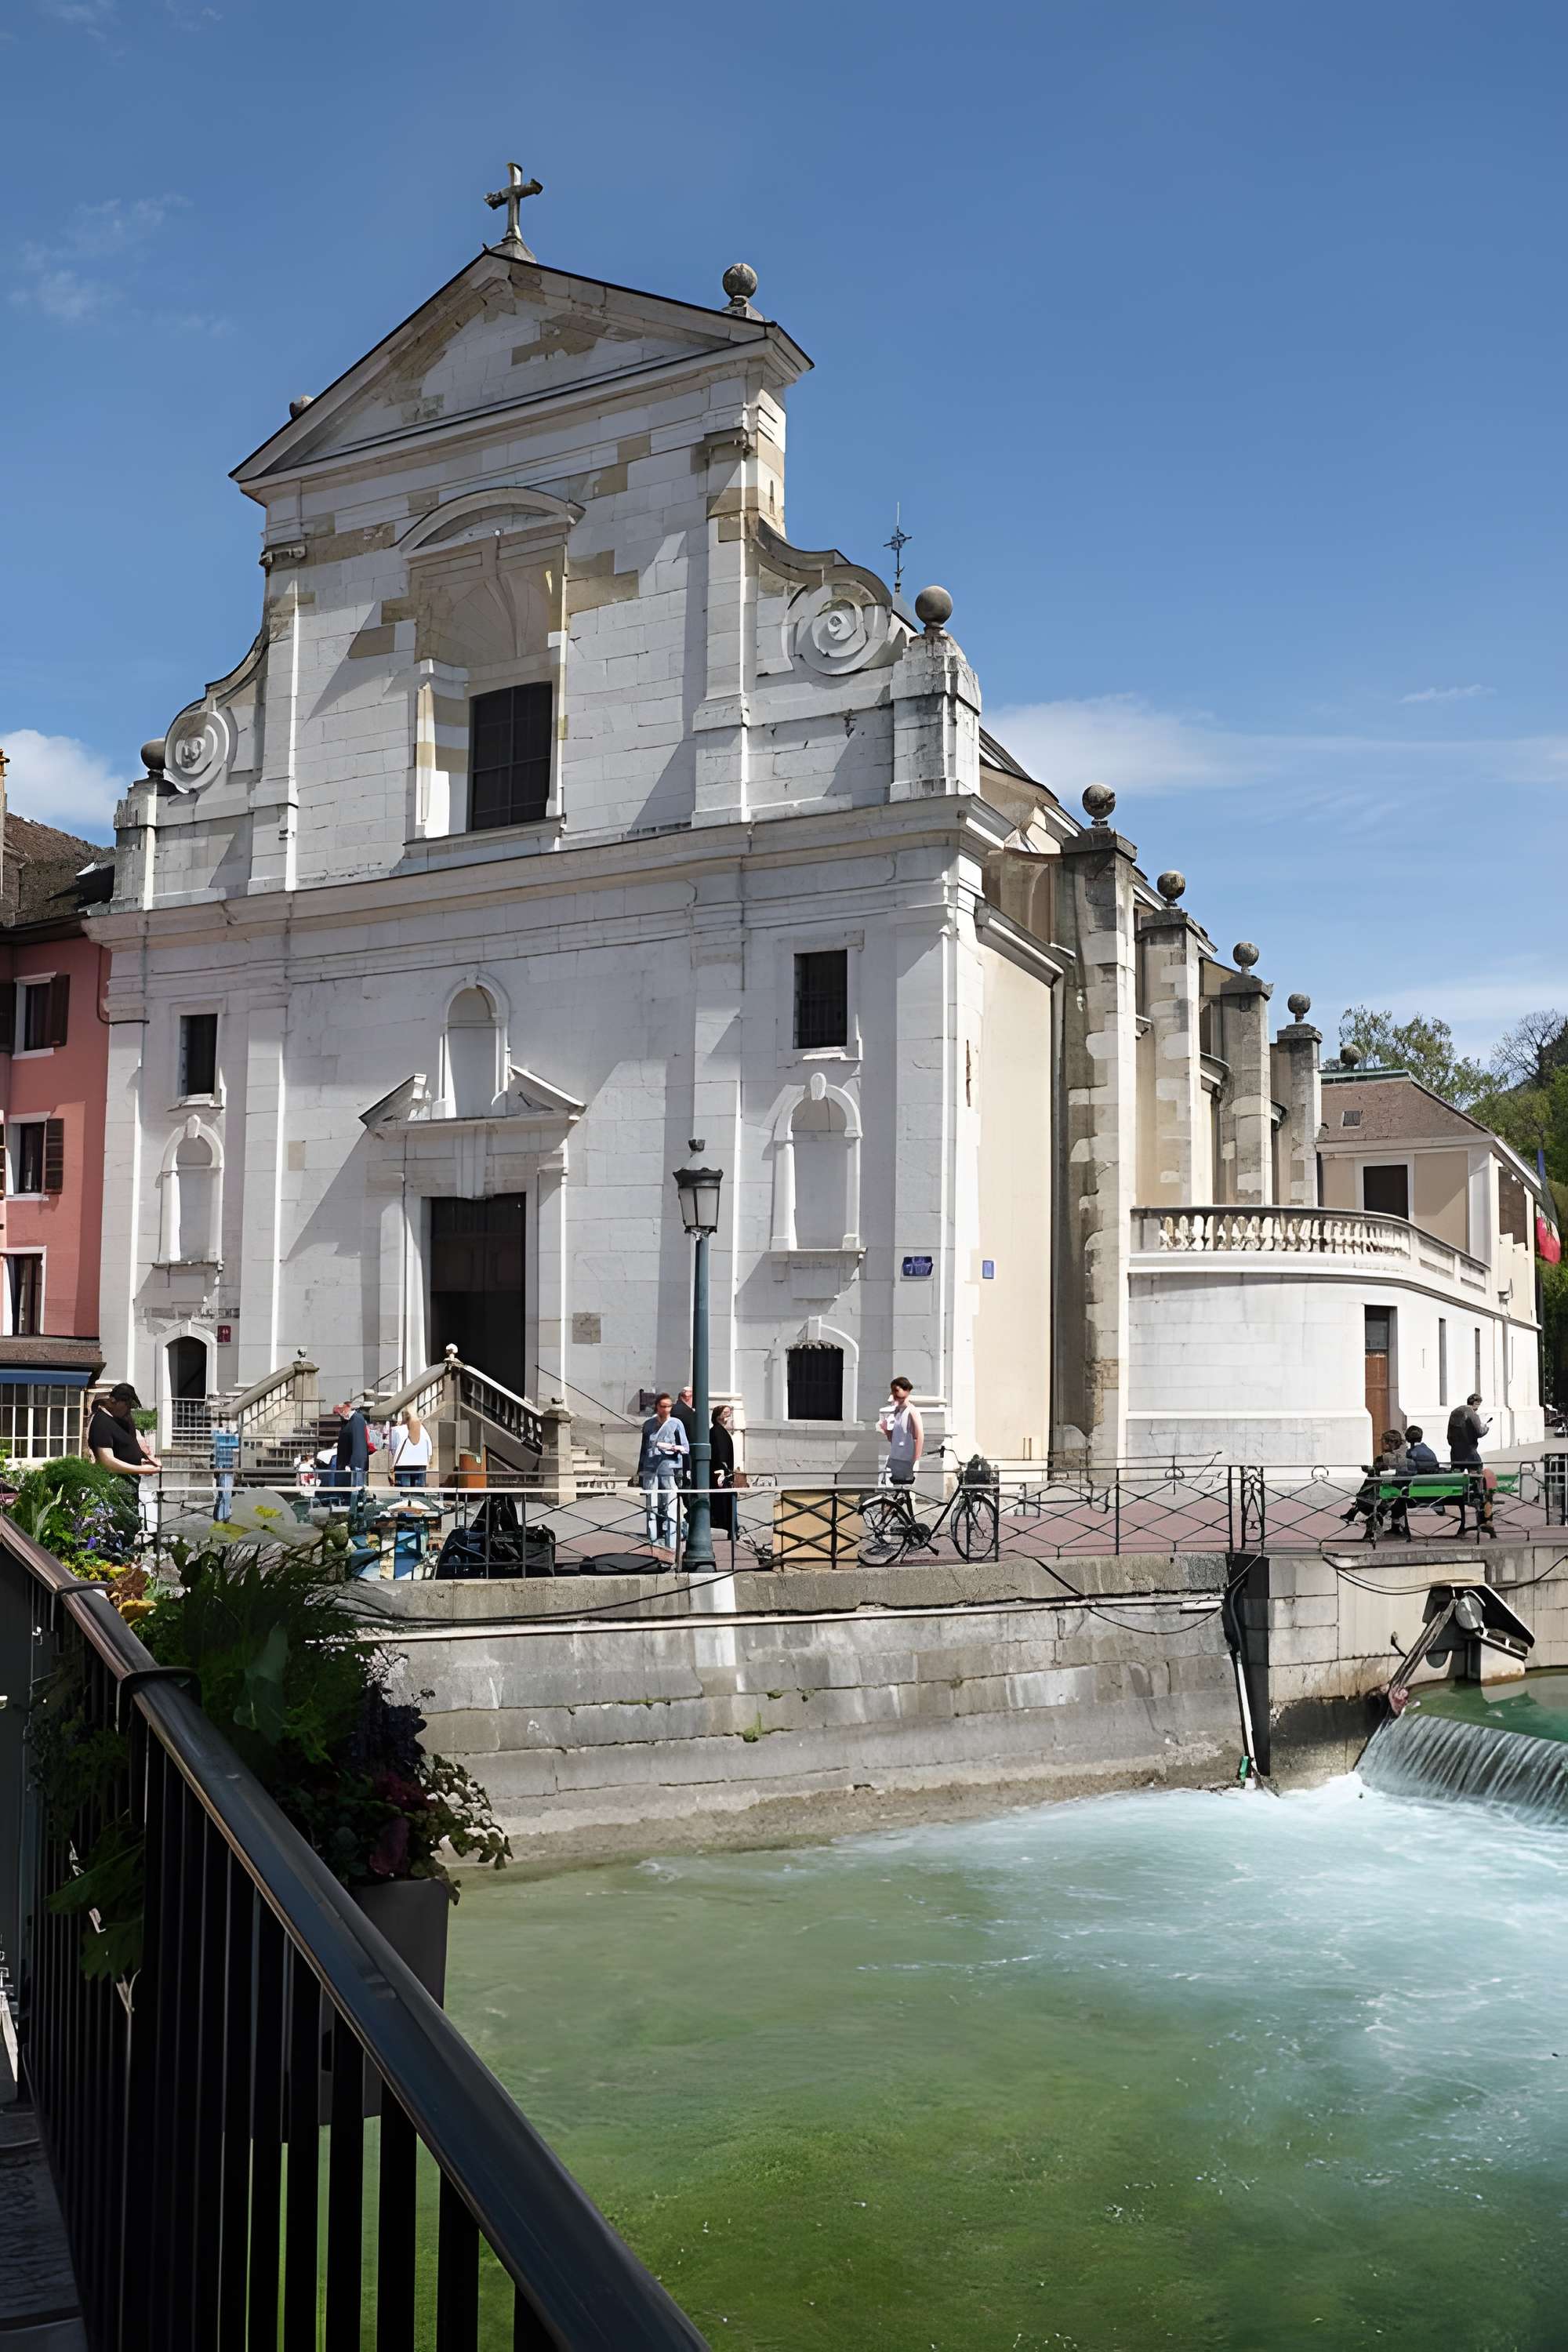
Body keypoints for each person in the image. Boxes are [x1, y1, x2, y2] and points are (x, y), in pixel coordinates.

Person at [88, 1382, 161, 1535]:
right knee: (120, 1528)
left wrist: (145, 1459)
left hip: (131, 1486)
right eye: (127, 1404)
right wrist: (141, 1469)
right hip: (116, 1488)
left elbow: (130, 1445)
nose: (129, 1409)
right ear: (114, 1401)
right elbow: (107, 1462)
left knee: (132, 1525)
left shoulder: (123, 1419)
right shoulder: (101, 1423)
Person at [637, 1392, 688, 1554]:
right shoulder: (648, 1424)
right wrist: (640, 1470)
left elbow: (685, 1447)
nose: (666, 1409)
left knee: (671, 1503)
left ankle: (672, 1540)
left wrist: (673, 1448)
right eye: (663, 1406)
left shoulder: (676, 1423)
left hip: (669, 1466)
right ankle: (653, 1539)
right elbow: (644, 1449)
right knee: (651, 1504)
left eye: (669, 1406)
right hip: (651, 1468)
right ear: (657, 1407)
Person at [1343, 1429, 1410, 1541]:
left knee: (1371, 1491)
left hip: (1390, 1491)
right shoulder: (1406, 1454)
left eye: (1383, 1442)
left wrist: (1370, 1470)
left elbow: (1378, 1475)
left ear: (1390, 1443)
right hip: (1401, 1489)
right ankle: (1361, 1509)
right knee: (1373, 1489)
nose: (1382, 1445)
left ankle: (1361, 1511)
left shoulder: (1386, 1458)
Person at [1448, 1392, 1496, 1539]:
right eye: (1478, 1405)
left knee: (1457, 1484)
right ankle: (1486, 1520)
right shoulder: (1471, 1413)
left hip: (1456, 1453)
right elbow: (1479, 1432)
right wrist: (1486, 1426)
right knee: (1483, 1484)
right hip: (1470, 1453)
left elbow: (1449, 1437)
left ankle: (1462, 1524)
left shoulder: (1454, 1413)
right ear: (1475, 1403)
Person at [877, 1377, 923, 1487]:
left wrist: (914, 1459)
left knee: (905, 1492)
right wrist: (886, 1430)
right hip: (896, 1458)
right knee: (894, 1492)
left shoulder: (912, 1411)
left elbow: (918, 1436)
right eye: (893, 1391)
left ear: (906, 1390)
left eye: (896, 1390)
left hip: (906, 1460)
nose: (894, 1394)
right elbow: (893, 1438)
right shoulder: (896, 1412)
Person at [709, 1403, 738, 1545]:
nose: (729, 1415)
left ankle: (732, 1529)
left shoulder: (720, 1431)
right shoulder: (716, 1432)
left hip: (723, 1473)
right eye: (726, 1413)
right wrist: (723, 1472)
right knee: (724, 1504)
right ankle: (731, 1529)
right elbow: (720, 1455)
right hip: (721, 1475)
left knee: (727, 1503)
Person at [390, 1404, 433, 1489]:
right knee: (419, 1494)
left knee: (404, 1494)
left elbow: (392, 1448)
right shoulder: (422, 1429)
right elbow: (429, 1447)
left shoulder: (396, 1430)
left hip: (402, 1465)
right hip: (421, 1465)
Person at [334, 1399, 371, 1491]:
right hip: (347, 1465)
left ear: (347, 1407)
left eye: (341, 1410)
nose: (340, 1413)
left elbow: (359, 1446)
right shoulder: (348, 1421)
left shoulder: (357, 1420)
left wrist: (352, 1464)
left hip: (354, 1466)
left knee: (356, 1491)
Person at [211, 1413, 240, 1522]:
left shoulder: (222, 1435)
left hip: (225, 1468)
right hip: (224, 1468)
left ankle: (222, 1516)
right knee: (225, 1495)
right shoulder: (219, 1435)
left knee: (224, 1495)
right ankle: (223, 1516)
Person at [673, 1385, 699, 1485]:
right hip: (683, 1455)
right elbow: (692, 1435)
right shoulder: (686, 1413)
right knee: (684, 1485)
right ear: (688, 1397)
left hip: (674, 1454)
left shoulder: (674, 1409)